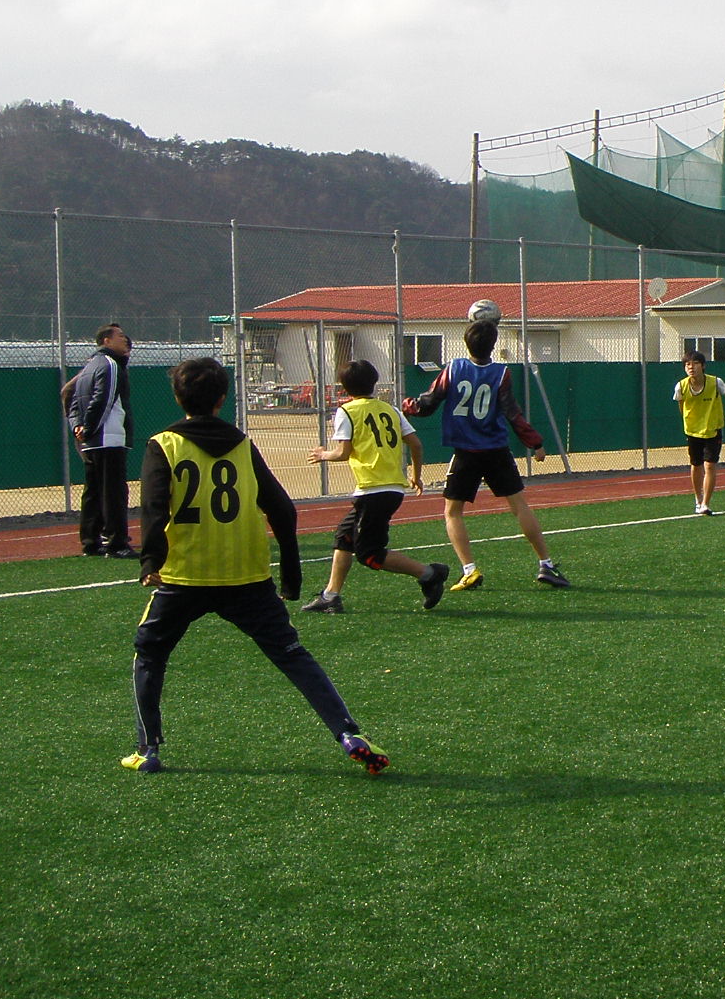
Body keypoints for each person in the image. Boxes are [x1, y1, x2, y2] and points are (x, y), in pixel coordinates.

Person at [124, 357, 388, 777]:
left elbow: (154, 508)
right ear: (223, 399)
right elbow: (282, 510)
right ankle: (346, 732)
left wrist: (151, 559)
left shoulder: (164, 444)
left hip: (184, 576)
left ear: (177, 397)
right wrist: (291, 574)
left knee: (150, 655)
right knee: (292, 655)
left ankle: (147, 748)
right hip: (247, 575)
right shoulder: (243, 444)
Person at [400, 316, 570, 589]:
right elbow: (512, 413)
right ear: (493, 346)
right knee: (519, 507)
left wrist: (406, 406)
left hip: (466, 451)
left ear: (466, 342)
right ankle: (546, 564)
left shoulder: (454, 368)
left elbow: (428, 403)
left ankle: (470, 569)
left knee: (453, 512)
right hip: (496, 451)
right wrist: (535, 443)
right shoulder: (501, 373)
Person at [300, 359, 438, 614]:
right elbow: (416, 444)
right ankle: (331, 595)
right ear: (374, 383)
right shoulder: (390, 409)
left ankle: (428, 573)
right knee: (344, 538)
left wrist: (322, 454)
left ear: (343, 387)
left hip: (374, 489)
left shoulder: (347, 411)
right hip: (389, 488)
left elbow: (343, 452)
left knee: (369, 554)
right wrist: (416, 476)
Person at [67, 323, 136, 560]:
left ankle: (90, 541)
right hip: (109, 437)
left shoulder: (88, 366)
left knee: (93, 491)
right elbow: (103, 399)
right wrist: (89, 428)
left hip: (93, 440)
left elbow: (74, 401)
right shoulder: (110, 365)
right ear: (106, 341)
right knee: (114, 491)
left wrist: (77, 426)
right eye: (120, 336)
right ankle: (117, 543)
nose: (124, 339)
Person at [674, 348, 725, 516]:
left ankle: (706, 503)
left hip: (712, 429)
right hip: (693, 431)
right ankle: (698, 500)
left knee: (710, 465)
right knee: (696, 466)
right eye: (687, 364)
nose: (691, 367)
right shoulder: (681, 386)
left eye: (695, 363)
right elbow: (681, 407)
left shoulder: (715, 382)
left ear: (703, 366)